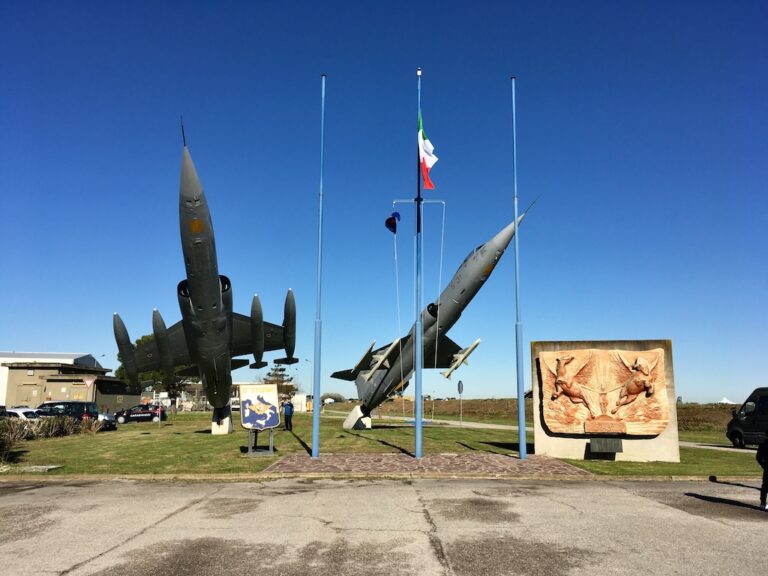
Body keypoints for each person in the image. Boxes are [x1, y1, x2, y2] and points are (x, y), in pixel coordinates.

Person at [758, 429, 768, 511]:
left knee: (765, 486)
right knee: (765, 486)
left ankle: (763, 503)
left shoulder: (763, 444)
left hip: (767, 468)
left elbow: (758, 457)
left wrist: (764, 465)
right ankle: (763, 503)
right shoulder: (764, 444)